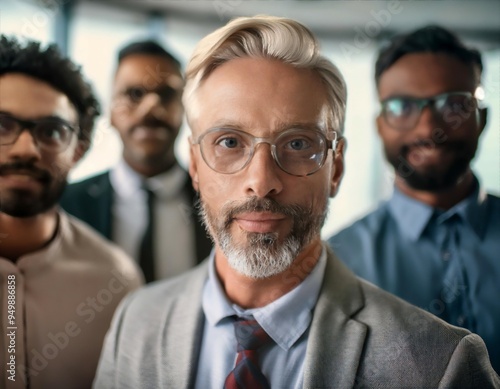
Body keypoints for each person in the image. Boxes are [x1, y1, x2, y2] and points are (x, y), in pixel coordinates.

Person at [93, 16, 499, 388]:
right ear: (195, 166)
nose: (261, 181)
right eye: (230, 142)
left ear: (336, 168)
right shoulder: (134, 321)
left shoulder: (439, 364)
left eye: (299, 144)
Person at [328, 25, 500, 373]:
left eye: (454, 104)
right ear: (379, 124)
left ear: (482, 117)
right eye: (402, 106)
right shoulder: (338, 264)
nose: (427, 129)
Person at [0, 35, 143, 389]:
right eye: (2, 125)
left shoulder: (116, 283)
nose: (25, 149)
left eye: (51, 131)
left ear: (78, 150)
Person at [61, 40, 212, 282]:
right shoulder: (65, 206)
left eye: (166, 94)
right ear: (110, 111)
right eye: (134, 94)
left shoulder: (218, 202)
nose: (150, 108)